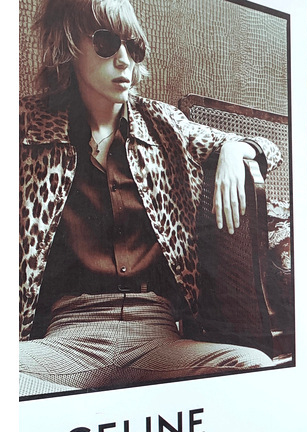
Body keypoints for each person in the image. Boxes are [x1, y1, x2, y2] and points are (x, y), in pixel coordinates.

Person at [19, 0, 283, 397]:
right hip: (68, 339)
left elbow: (270, 148)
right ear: (69, 45)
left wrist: (234, 148)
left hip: (157, 336)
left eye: (134, 47)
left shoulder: (163, 124)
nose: (124, 60)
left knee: (254, 369)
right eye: (106, 43)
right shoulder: (26, 125)